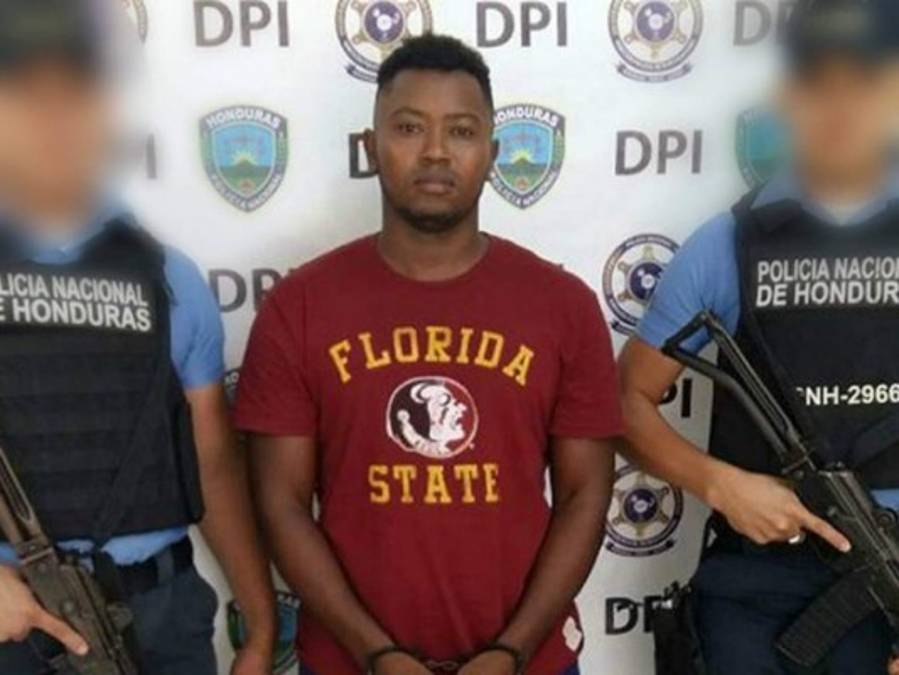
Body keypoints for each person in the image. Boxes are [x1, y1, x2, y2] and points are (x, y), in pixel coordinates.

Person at [235, 33, 622, 675]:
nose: (436, 151)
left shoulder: (563, 306)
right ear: (371, 147)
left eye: (462, 131)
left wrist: (512, 650)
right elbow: (281, 504)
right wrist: (376, 653)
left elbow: (586, 495)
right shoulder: (299, 307)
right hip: (349, 662)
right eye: (410, 127)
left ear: (493, 152)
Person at [618, 0, 899, 673]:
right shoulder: (729, 243)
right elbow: (624, 402)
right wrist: (720, 484)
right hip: (754, 583)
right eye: (818, 82)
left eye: (863, 81)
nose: (839, 107)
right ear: (787, 97)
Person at [0, 1, 277, 674]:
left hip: (161, 617)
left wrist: (261, 619)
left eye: (75, 95)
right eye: (27, 95)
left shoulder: (170, 278)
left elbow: (212, 461)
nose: (54, 120)